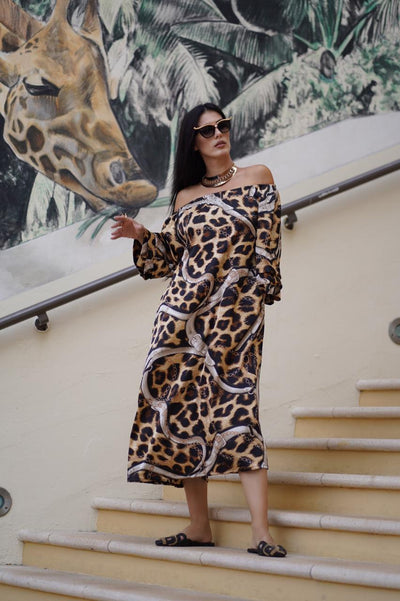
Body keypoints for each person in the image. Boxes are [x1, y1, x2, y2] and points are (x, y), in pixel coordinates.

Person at [111, 103, 286, 558]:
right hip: (181, 317)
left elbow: (267, 248)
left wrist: (254, 299)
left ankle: (262, 532)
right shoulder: (185, 197)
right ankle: (199, 526)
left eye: (222, 126)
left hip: (235, 318)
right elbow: (167, 259)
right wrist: (140, 234)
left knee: (239, 411)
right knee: (182, 411)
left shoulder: (258, 177)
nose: (218, 134)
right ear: (193, 142)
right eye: (207, 130)